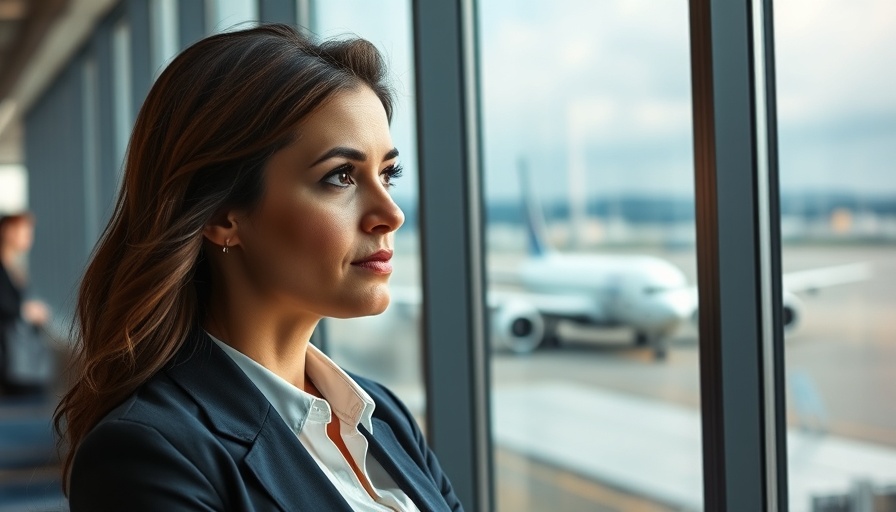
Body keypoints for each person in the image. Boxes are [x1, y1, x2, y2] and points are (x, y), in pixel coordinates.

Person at [54, 24, 462, 511]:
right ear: (223, 215)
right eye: (340, 177)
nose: (390, 214)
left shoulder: (382, 415)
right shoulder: (149, 452)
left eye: (387, 174)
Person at [0, 211, 52, 397]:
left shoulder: (16, 267)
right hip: (13, 362)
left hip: (25, 361)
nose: (29, 237)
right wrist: (26, 311)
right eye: (24, 231)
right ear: (8, 232)